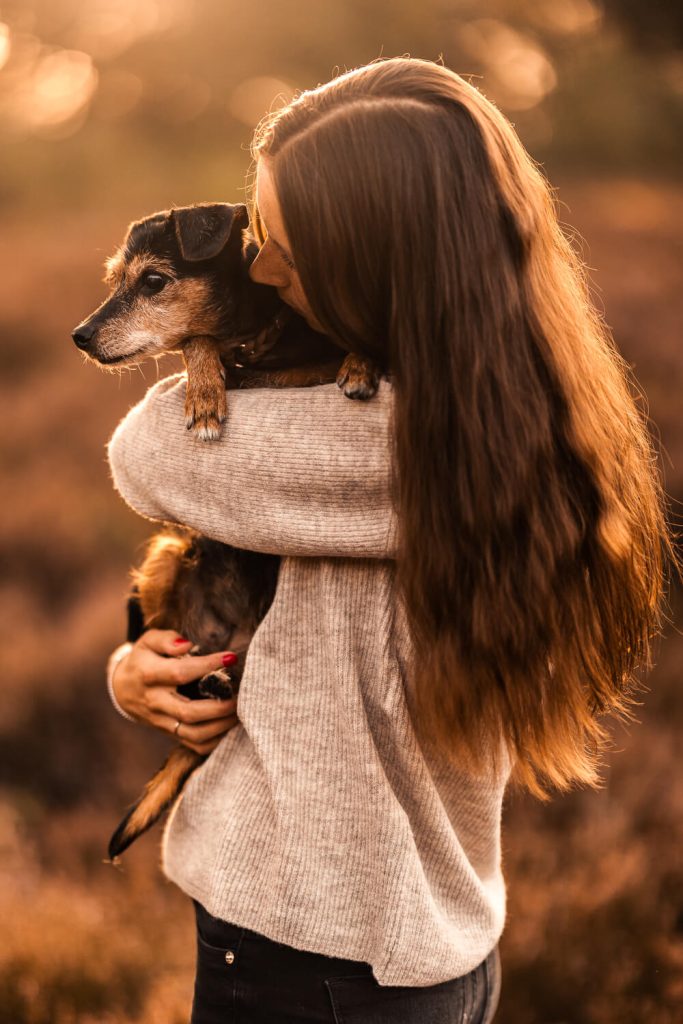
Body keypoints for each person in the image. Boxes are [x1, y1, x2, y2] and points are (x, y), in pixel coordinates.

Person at [105, 57, 676, 1023]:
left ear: (381, 260)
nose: (256, 268)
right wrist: (135, 666)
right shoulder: (518, 415)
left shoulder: (389, 445)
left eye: (288, 246)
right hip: (438, 938)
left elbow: (148, 451)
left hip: (309, 947)